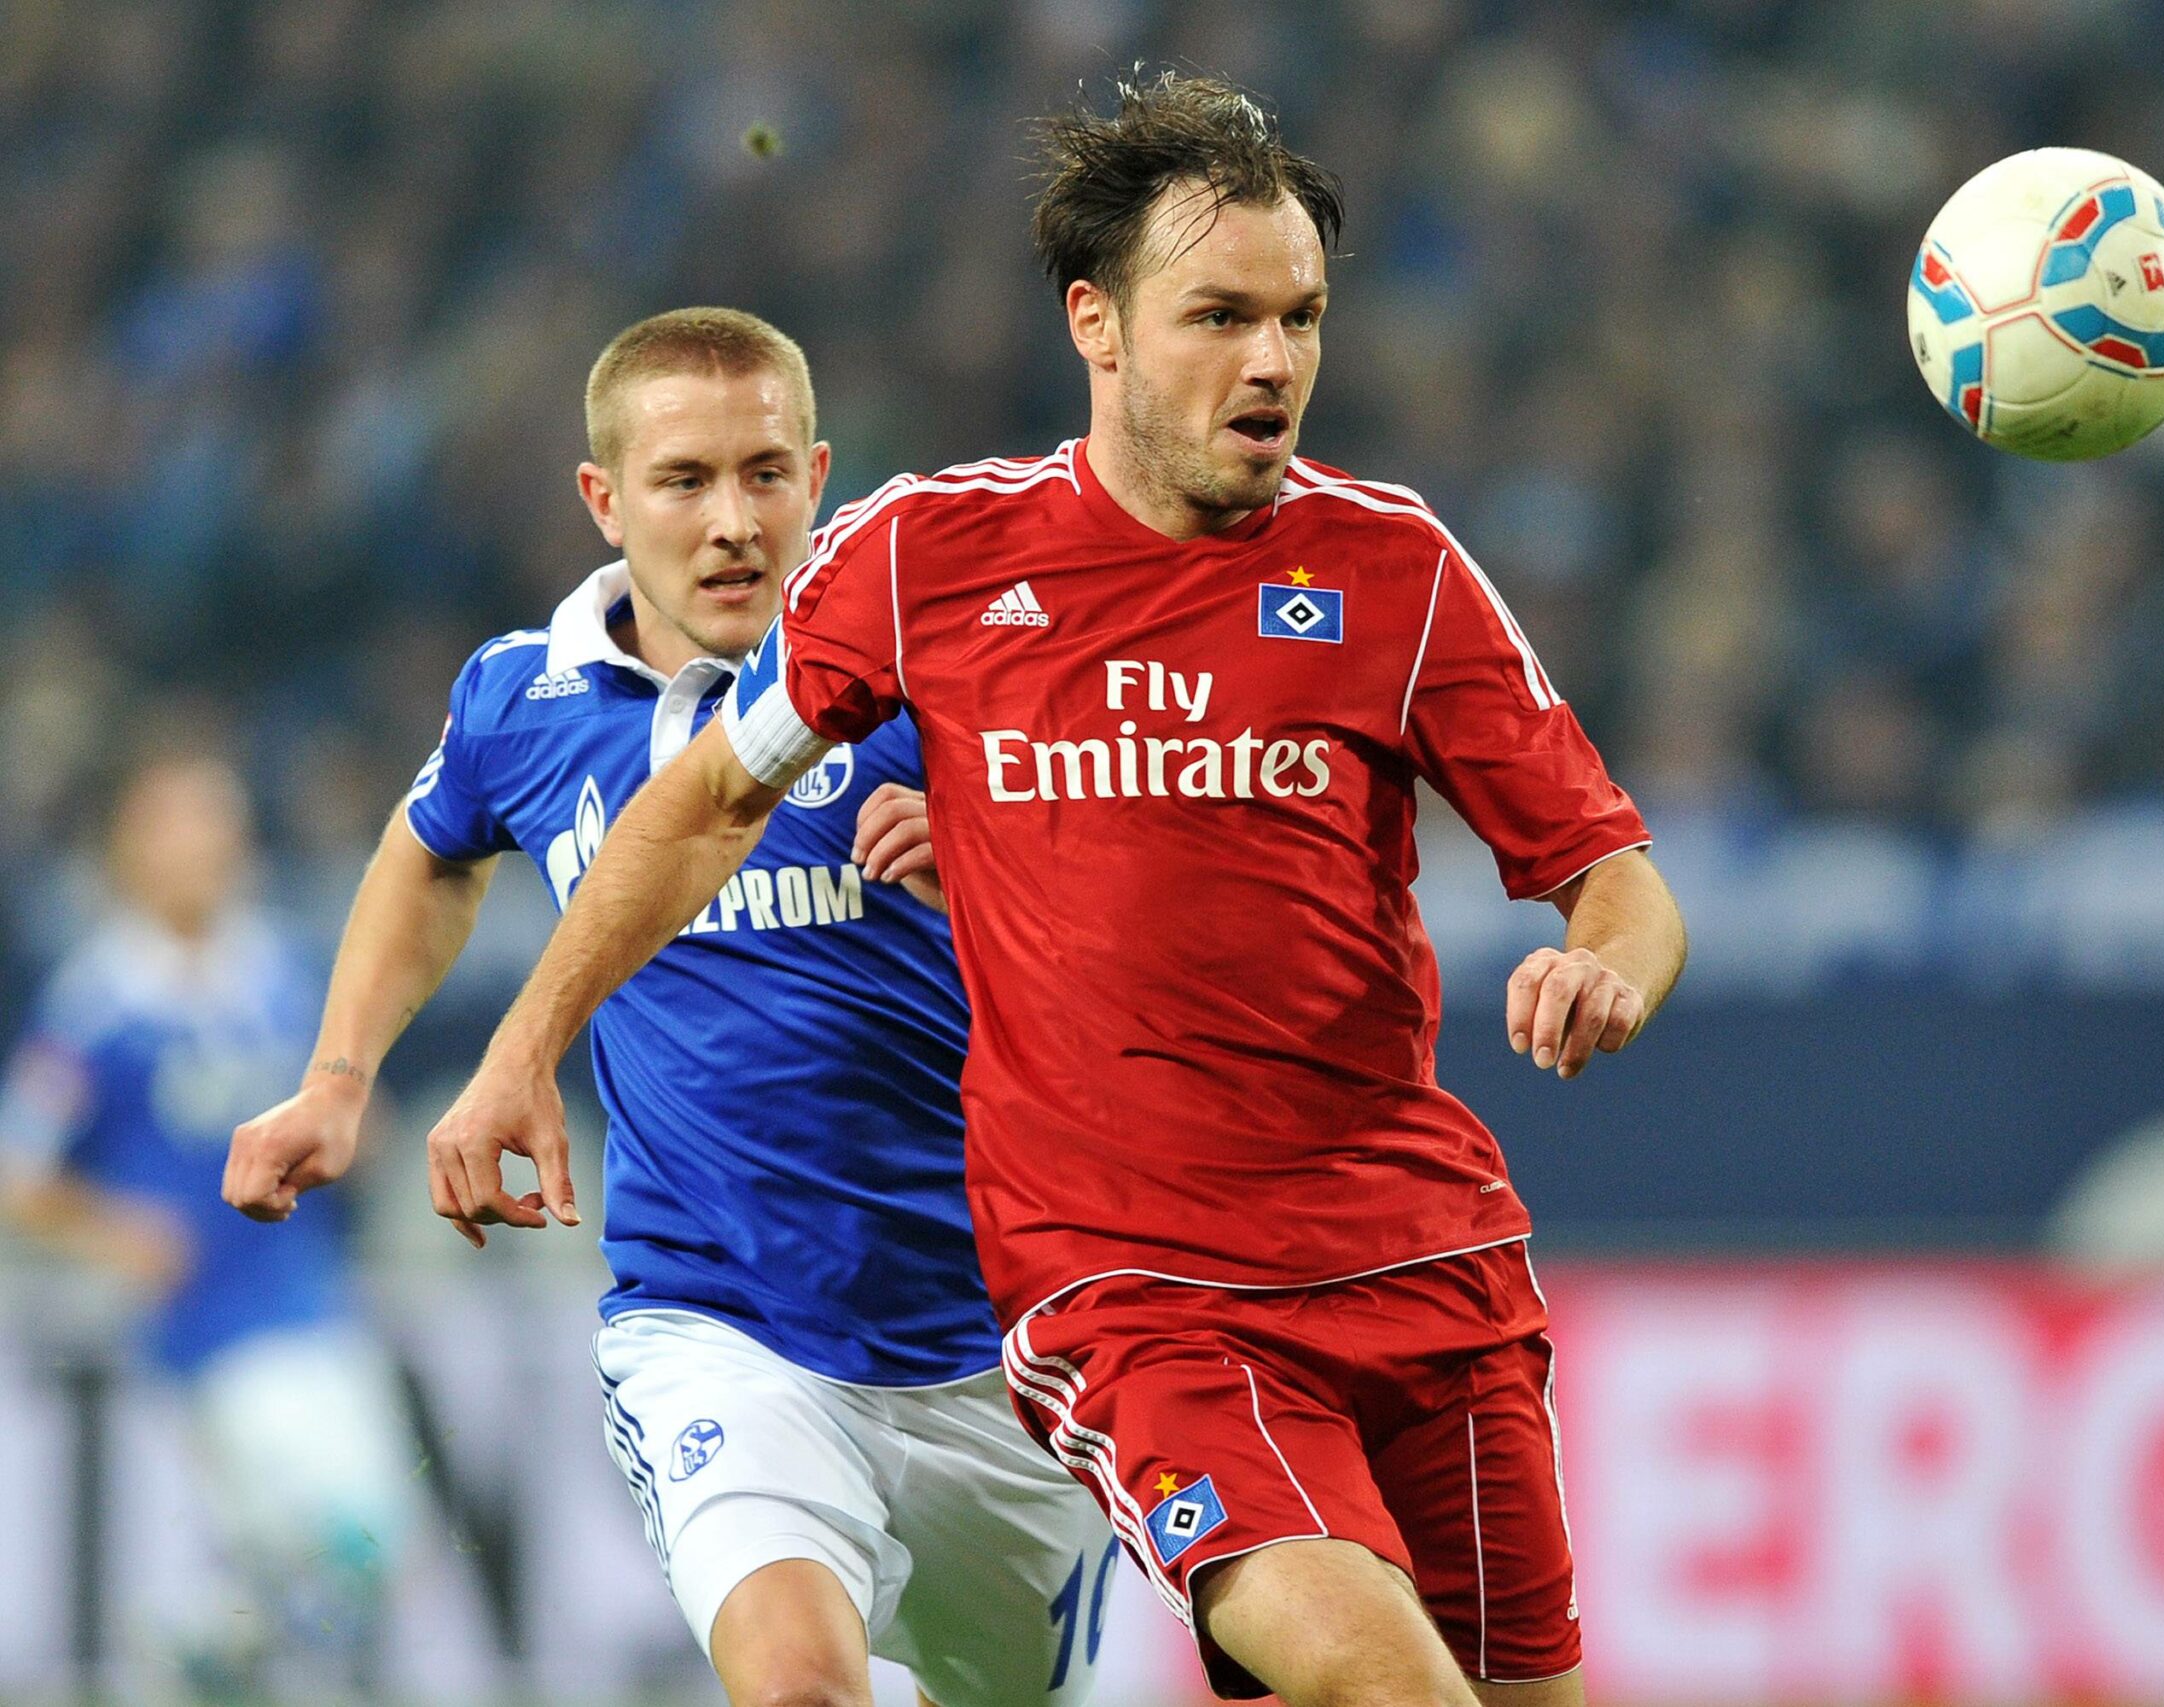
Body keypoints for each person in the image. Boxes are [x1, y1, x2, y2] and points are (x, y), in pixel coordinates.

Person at [428, 80, 1686, 1707]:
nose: (1274, 362)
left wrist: (1607, 968)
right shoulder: (925, 558)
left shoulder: (1396, 570)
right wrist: (526, 1045)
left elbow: (1617, 879)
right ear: (1097, 323)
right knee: (1386, 1687)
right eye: (1219, 315)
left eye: (1300, 316)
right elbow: (703, 802)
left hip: (1424, 1264)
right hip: (1138, 1289)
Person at [221, 308, 1112, 1707]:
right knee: (801, 1686)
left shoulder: (940, 676)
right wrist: (340, 1076)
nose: (733, 521)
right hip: (717, 1324)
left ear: (819, 477)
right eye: (685, 480)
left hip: (999, 1345)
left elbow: (1151, 900)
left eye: (765, 473)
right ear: (605, 498)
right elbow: (429, 848)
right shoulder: (524, 696)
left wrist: (1009, 840)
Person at [0, 751, 417, 1700]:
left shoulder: (278, 968)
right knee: (348, 1534)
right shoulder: (99, 1001)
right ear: (131, 848)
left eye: (221, 821)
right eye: (184, 822)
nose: (211, 844)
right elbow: (18, 1169)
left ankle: (211, 1647)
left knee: (376, 1547)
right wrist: (116, 1231)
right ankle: (212, 1640)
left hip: (315, 1298)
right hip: (210, 1329)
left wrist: (362, 1122)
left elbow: (348, 1098)